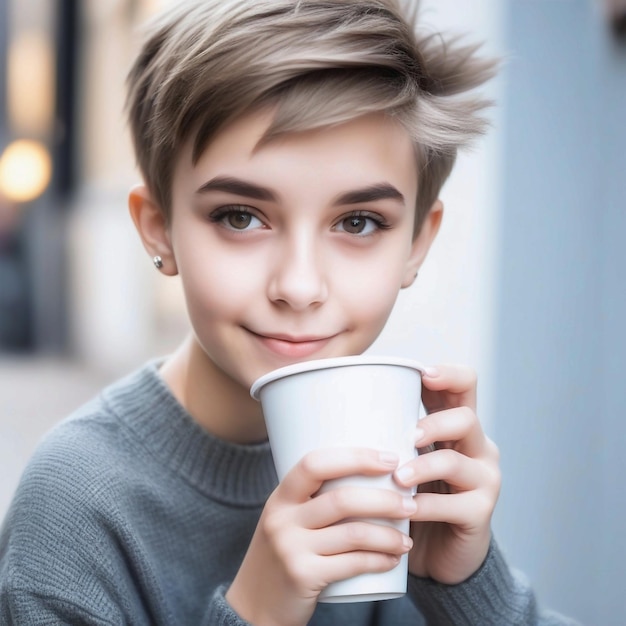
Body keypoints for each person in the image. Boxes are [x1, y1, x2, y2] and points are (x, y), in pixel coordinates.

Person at [0, 1, 579, 624]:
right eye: (241, 217)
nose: (299, 287)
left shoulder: (408, 485)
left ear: (416, 242)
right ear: (159, 229)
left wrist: (467, 586)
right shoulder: (76, 510)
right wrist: (256, 614)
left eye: (358, 222)